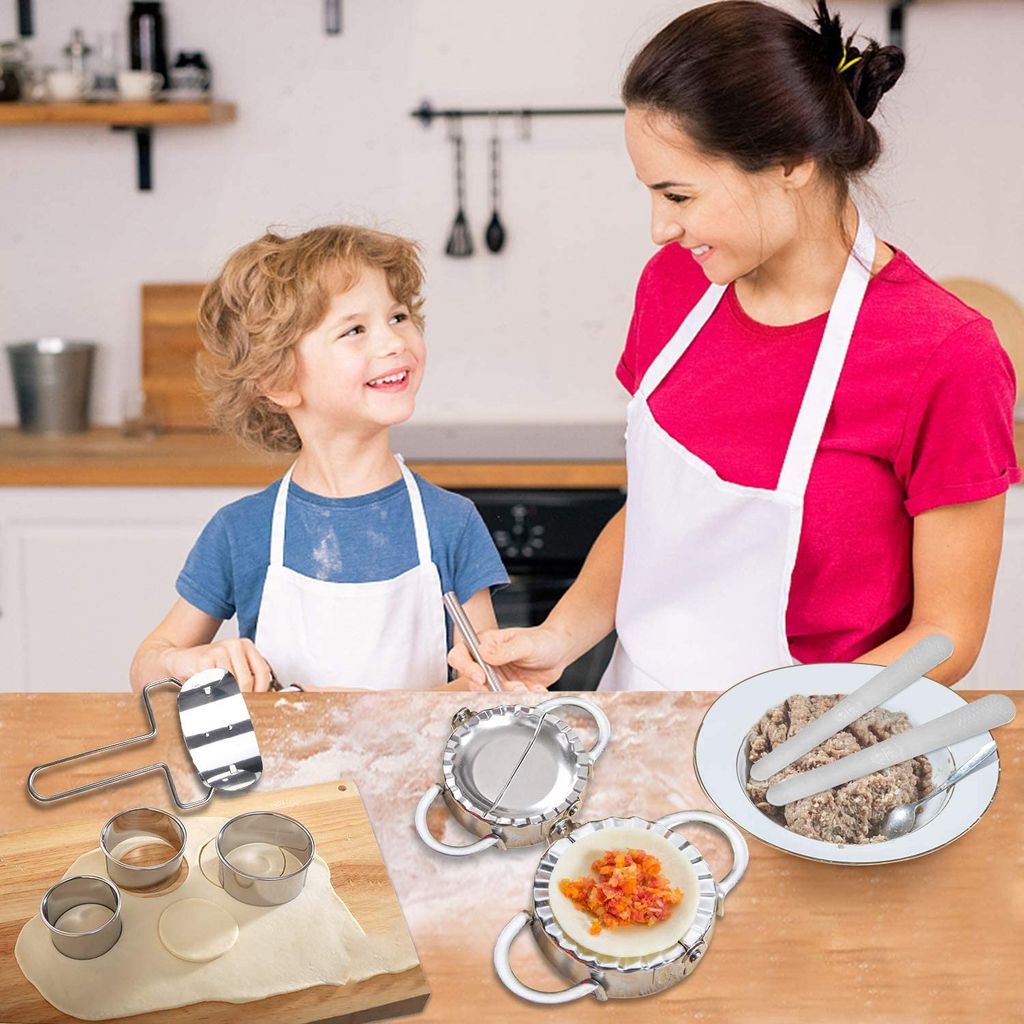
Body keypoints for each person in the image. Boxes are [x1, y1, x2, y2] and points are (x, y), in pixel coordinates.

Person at [451, 0, 1020, 692]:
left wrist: (788, 725)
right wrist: (559, 638)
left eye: (679, 195)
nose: (660, 228)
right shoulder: (673, 289)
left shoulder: (944, 351)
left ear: (790, 162)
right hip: (644, 713)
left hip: (819, 746)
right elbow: (659, 518)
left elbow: (946, 635)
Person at [131, 225, 508, 692]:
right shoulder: (243, 531)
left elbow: (487, 684)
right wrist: (186, 662)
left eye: (398, 317)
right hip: (281, 768)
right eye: (355, 329)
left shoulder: (451, 524)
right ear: (278, 381)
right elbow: (146, 667)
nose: (393, 343)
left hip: (415, 765)